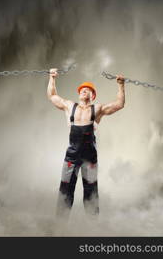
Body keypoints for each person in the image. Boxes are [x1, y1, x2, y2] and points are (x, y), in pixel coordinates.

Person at [47, 68, 125, 221]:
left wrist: (121, 85)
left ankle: (92, 228)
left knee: (91, 191)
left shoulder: (98, 109)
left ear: (92, 95)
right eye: (82, 89)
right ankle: (59, 227)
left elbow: (119, 104)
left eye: (87, 90)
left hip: (89, 157)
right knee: (65, 188)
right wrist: (52, 77)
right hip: (72, 155)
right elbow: (52, 96)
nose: (84, 91)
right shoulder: (70, 106)